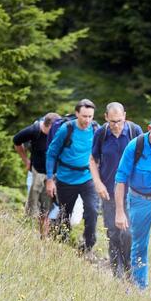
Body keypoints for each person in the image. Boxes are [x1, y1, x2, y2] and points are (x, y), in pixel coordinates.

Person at [114, 113, 151, 298]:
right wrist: (119, 211)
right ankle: (139, 286)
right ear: (149, 128)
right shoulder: (135, 146)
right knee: (139, 243)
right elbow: (121, 179)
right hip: (139, 200)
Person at [90, 102, 143, 278]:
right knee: (113, 232)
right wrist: (97, 182)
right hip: (108, 192)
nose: (116, 125)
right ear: (106, 118)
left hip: (131, 193)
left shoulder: (135, 132)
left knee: (128, 233)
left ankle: (128, 268)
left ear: (125, 116)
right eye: (112, 121)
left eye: (119, 120)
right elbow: (92, 159)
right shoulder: (101, 133)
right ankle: (117, 273)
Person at [45, 99, 99, 253]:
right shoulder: (66, 129)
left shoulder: (95, 128)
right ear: (77, 114)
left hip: (87, 177)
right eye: (84, 116)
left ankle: (87, 246)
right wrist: (50, 179)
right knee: (65, 213)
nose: (87, 120)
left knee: (92, 211)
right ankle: (62, 242)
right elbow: (51, 153)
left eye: (90, 116)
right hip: (65, 178)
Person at [13, 112, 61, 237]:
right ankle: (27, 233)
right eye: (55, 129)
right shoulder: (34, 131)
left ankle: (44, 236)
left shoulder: (58, 133)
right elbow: (16, 141)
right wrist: (26, 160)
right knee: (33, 205)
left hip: (54, 175)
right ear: (48, 126)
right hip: (36, 172)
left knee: (48, 207)